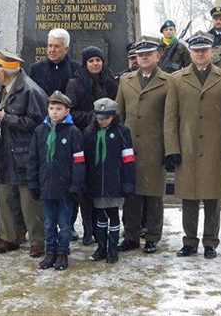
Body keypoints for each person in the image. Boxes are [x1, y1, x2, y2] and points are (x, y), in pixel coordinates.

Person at [164, 32, 221, 259]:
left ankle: (210, 241)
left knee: (211, 197)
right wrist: (172, 149)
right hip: (186, 147)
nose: (200, 53)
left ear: (212, 52)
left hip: (214, 147)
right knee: (188, 197)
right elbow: (171, 118)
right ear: (190, 52)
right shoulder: (177, 79)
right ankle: (189, 241)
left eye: (204, 50)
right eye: (196, 50)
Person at [0, 49, 48, 257]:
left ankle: (38, 241)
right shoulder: (0, 87)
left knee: (29, 200)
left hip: (25, 153)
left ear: (6, 70)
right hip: (4, 151)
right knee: (5, 197)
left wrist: (8, 118)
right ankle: (9, 237)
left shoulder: (30, 91)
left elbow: (38, 123)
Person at [115, 38, 171, 254]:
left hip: (156, 146)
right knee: (131, 195)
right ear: (135, 58)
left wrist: (170, 149)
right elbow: (118, 115)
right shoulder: (125, 81)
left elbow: (171, 118)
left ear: (157, 56)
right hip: (130, 147)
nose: (145, 57)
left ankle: (152, 236)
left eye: (149, 53)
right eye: (141, 54)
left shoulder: (168, 82)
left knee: (154, 194)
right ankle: (130, 235)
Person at [65, 46, 118, 244]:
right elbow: (71, 111)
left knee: (101, 184)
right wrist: (93, 117)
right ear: (85, 63)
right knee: (85, 187)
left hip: (107, 138)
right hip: (85, 138)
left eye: (98, 60)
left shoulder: (111, 81)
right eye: (91, 61)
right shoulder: (75, 83)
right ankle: (88, 227)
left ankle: (102, 226)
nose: (95, 64)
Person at [27, 91, 85, 271]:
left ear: (67, 111)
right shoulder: (40, 131)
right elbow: (33, 158)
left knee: (65, 223)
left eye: (59, 109)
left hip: (65, 187)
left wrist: (76, 184)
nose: (54, 112)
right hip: (45, 186)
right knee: (48, 222)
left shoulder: (73, 132)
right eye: (51, 108)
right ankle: (49, 252)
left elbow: (79, 161)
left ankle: (62, 252)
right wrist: (33, 182)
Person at [83, 97, 135, 264]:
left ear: (113, 116)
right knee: (99, 216)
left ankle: (112, 249)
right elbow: (86, 159)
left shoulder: (122, 132)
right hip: (96, 181)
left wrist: (128, 181)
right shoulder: (90, 132)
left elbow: (128, 159)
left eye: (106, 117)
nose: (102, 121)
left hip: (115, 181)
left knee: (112, 214)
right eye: (99, 117)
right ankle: (101, 247)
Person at [28, 28, 80, 96]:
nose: (52, 50)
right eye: (50, 45)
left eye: (57, 46)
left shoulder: (77, 70)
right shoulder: (36, 69)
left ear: (66, 49)